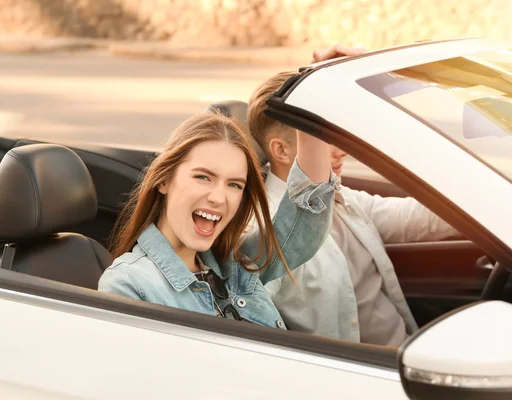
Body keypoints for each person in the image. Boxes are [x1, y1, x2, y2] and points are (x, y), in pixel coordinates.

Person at [247, 71, 460, 345]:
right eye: (323, 140)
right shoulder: (263, 231)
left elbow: (421, 219)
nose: (341, 151)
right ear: (281, 151)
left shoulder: (345, 199)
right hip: (357, 374)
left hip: (407, 351)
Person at [98, 111, 339, 328]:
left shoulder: (238, 264)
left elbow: (305, 223)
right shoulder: (129, 284)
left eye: (234, 185)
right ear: (163, 180)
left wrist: (310, 102)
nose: (218, 198)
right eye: (203, 177)